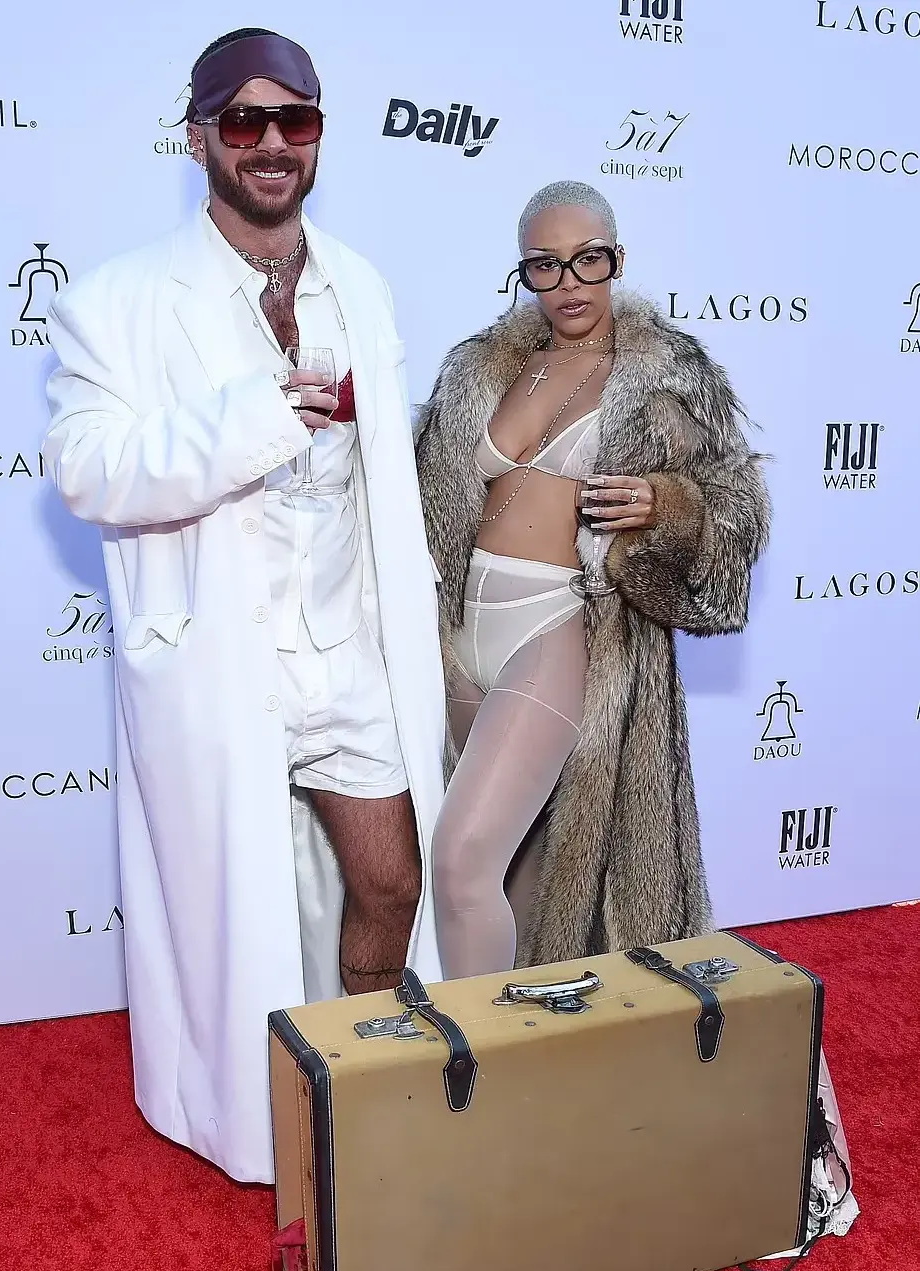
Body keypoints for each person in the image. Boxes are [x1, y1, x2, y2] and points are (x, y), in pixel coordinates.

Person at [42, 27, 445, 1184]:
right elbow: (87, 473)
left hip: (349, 649)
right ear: (198, 138)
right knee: (234, 922)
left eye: (294, 119)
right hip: (218, 660)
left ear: (318, 135)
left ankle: (362, 1086)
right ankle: (251, 1122)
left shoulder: (358, 282)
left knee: (391, 881)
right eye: (243, 120)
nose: (271, 142)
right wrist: (255, 417)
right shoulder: (116, 300)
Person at [415, 181, 771, 979]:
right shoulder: (481, 366)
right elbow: (422, 494)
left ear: (618, 259)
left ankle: (480, 1053)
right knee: (516, 876)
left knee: (462, 857)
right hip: (459, 641)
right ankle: (532, 1034)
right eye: (545, 265)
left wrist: (667, 504)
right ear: (524, 272)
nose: (569, 282)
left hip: (551, 635)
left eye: (588, 260)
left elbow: (737, 512)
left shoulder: (666, 376)